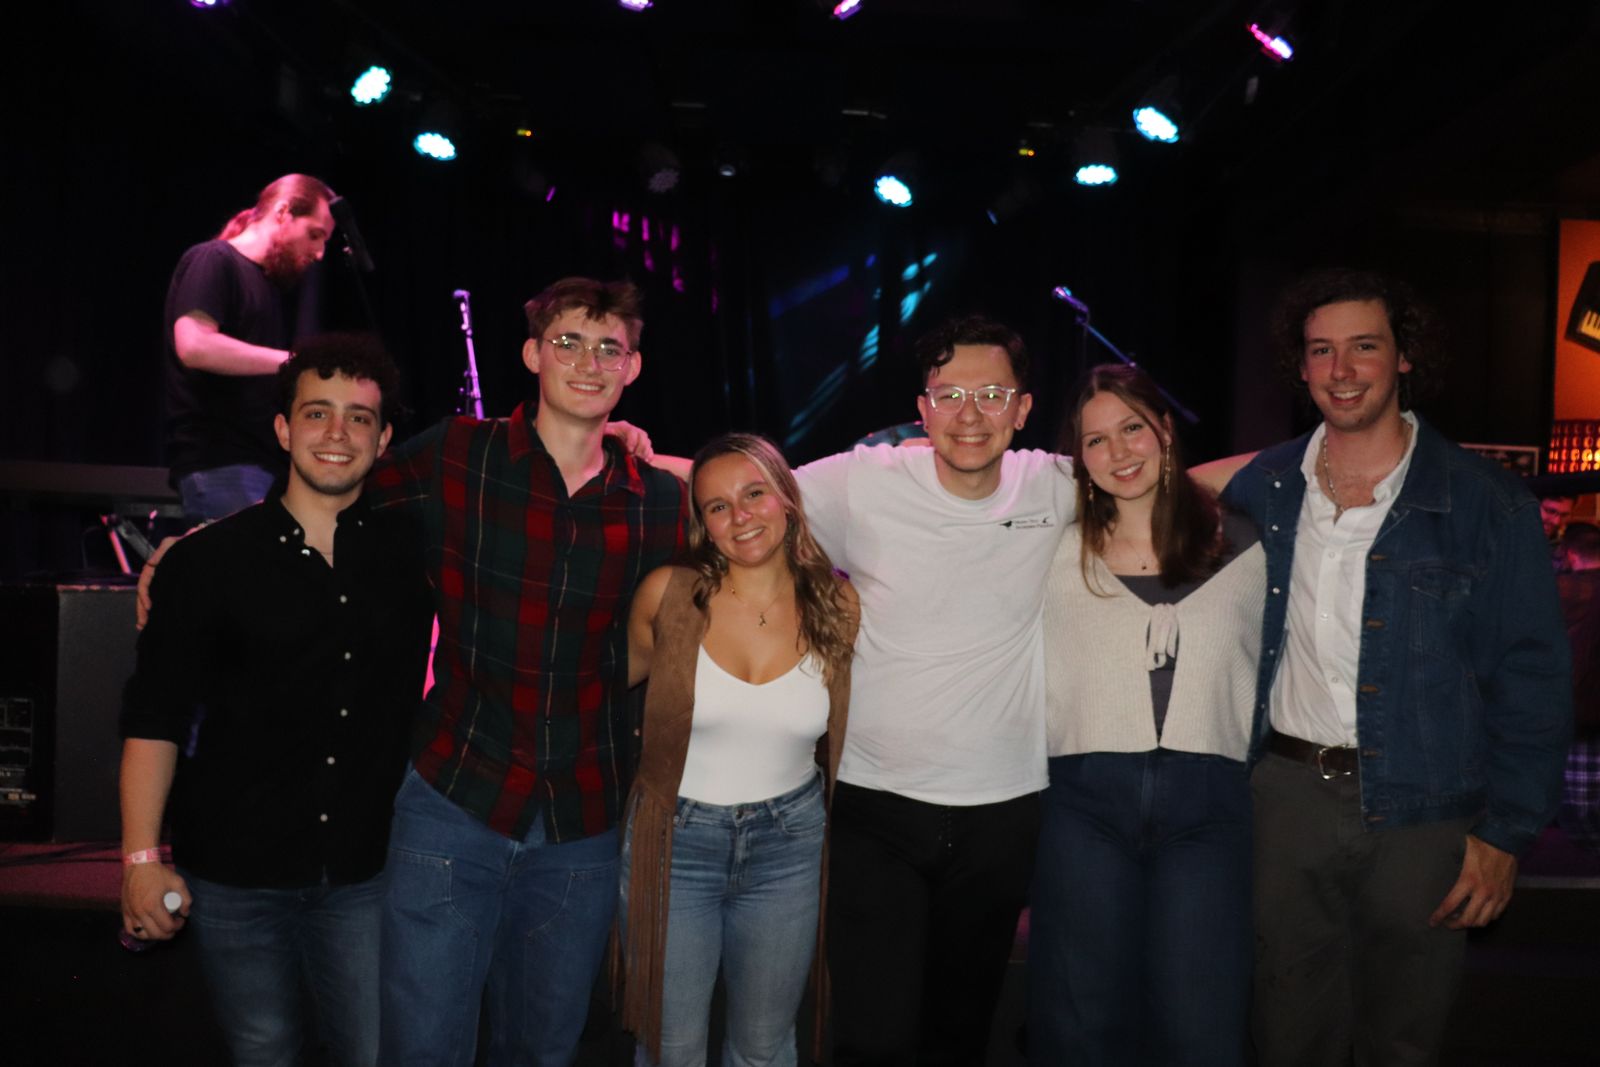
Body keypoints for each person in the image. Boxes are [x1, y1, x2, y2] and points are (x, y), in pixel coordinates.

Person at [1221, 268, 1571, 1066]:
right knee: (1284, 1037)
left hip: (1426, 809)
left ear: (1404, 355)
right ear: (1301, 364)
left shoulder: (1486, 502)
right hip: (1284, 802)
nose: (1342, 369)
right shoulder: (1265, 486)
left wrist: (1508, 832)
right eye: (1321, 350)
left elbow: (1534, 677)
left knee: (1403, 1041)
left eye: (1364, 346)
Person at [369, 277, 687, 1067]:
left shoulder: (656, 501)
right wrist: (200, 545)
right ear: (532, 354)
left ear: (633, 367)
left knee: (542, 1050)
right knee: (423, 1049)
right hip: (456, 794)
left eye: (609, 347)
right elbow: (334, 500)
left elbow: (758, 509)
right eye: (568, 342)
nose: (588, 361)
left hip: (582, 817)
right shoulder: (457, 454)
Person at [120, 333, 431, 1067]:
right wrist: (139, 856)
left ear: (384, 439)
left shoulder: (416, 553)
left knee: (373, 1051)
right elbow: (154, 716)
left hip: (365, 872)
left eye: (358, 417)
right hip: (235, 874)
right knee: (264, 1052)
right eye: (317, 413)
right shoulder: (206, 561)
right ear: (284, 429)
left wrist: (616, 436)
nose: (337, 432)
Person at [1031, 364, 1265, 1066]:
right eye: (1095, 440)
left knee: (1200, 1026)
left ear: (1165, 429)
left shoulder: (1246, 545)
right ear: (1078, 458)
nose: (1119, 451)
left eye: (1133, 427)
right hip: (1082, 805)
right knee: (1080, 1024)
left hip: (1210, 808)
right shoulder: (1050, 550)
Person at [620, 433, 859, 1067]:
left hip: (789, 845)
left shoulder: (837, 603)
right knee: (671, 1049)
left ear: (786, 498)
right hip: (677, 842)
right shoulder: (669, 596)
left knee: (763, 1047)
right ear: (703, 524)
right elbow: (598, 694)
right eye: (718, 506)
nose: (740, 516)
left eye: (754, 493)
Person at [165, 173, 336, 521]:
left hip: (258, 466)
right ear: (283, 212)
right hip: (221, 463)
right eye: (314, 234)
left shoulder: (268, 287)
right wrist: (292, 361)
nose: (320, 253)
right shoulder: (213, 259)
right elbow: (194, 345)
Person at [1556, 521, 1600, 851]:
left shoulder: (1555, 591)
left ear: (1570, 554)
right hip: (1587, 717)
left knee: (1579, 818)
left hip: (1573, 720)